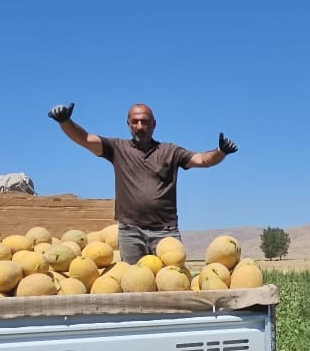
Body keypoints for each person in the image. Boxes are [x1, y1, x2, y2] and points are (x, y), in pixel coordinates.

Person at [47, 102, 238, 263]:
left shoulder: (170, 151)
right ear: (128, 124)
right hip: (131, 231)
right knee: (134, 282)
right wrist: (65, 122)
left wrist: (220, 152)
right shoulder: (117, 148)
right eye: (135, 122)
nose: (139, 126)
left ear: (154, 124)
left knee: (171, 280)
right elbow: (86, 139)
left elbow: (202, 160)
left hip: (165, 232)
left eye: (144, 121)